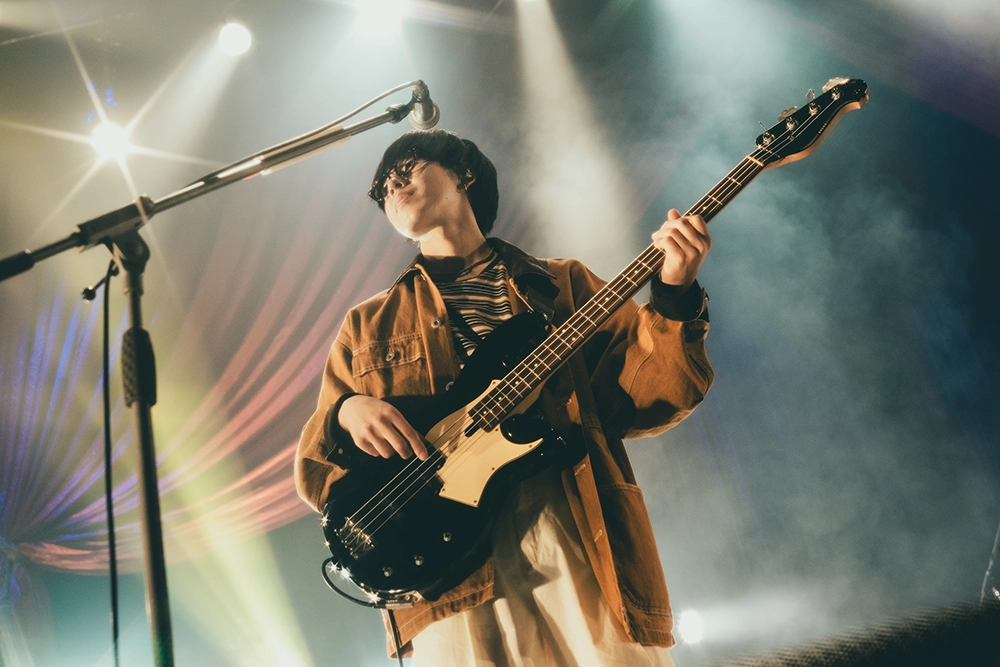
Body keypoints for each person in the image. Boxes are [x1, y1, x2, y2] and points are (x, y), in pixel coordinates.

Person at [295, 129, 713, 665]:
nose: (391, 186)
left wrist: (674, 296)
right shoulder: (366, 324)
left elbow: (648, 397)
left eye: (406, 168)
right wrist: (344, 412)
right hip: (444, 570)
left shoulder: (563, 284)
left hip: (571, 522)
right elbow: (316, 469)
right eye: (383, 188)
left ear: (464, 174)